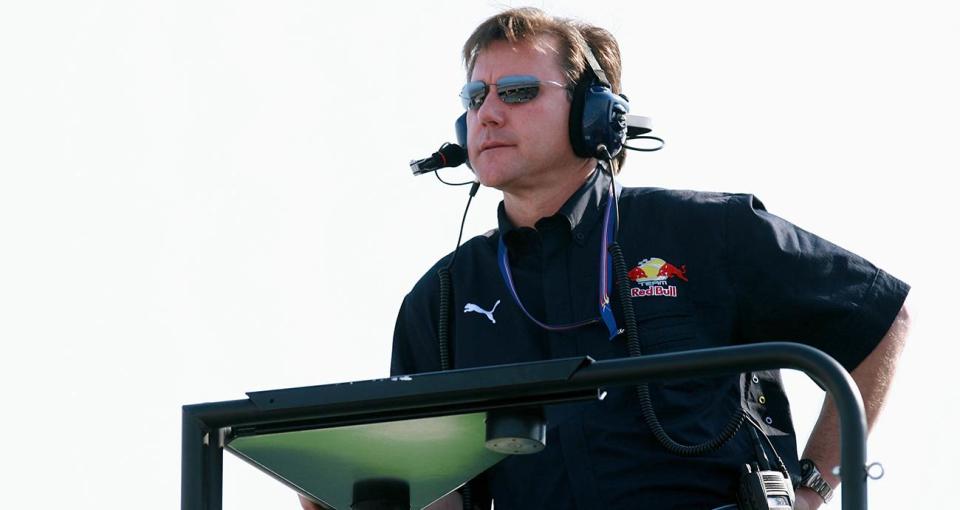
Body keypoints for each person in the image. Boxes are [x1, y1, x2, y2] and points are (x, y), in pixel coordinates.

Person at [302, 7, 910, 510]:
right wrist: (340, 489)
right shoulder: (436, 302)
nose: (486, 114)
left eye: (516, 92)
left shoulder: (708, 231)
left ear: (597, 115)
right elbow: (444, 496)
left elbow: (881, 318)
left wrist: (811, 487)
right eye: (475, 94)